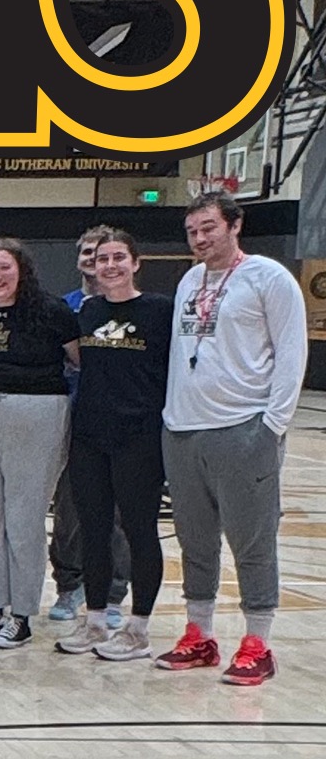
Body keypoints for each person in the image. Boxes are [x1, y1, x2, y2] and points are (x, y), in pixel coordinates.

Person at [153, 193, 306, 685]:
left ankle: (257, 642)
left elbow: (291, 355)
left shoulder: (269, 277)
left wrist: (272, 428)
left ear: (234, 225)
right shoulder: (188, 280)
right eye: (192, 231)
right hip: (183, 429)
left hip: (243, 428)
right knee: (195, 542)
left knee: (252, 541)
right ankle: (199, 634)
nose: (199, 238)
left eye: (208, 228)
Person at [0, 238, 80, 650]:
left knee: (23, 518)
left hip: (36, 412)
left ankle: (21, 614)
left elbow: (79, 361)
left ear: (22, 270)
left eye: (4, 268)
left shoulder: (52, 312)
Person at [54, 230, 172, 661]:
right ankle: (96, 620)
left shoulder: (159, 310)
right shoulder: (87, 312)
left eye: (119, 257)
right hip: (90, 435)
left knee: (139, 531)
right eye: (102, 259)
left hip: (139, 436)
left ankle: (138, 629)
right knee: (94, 530)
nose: (110, 266)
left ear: (136, 262)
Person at [50, 225, 132, 625]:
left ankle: (115, 594)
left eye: (104, 254)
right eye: (88, 254)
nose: (96, 261)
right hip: (72, 418)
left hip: (120, 423)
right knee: (69, 511)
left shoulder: (138, 309)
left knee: (116, 514)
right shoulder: (64, 307)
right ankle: (69, 587)